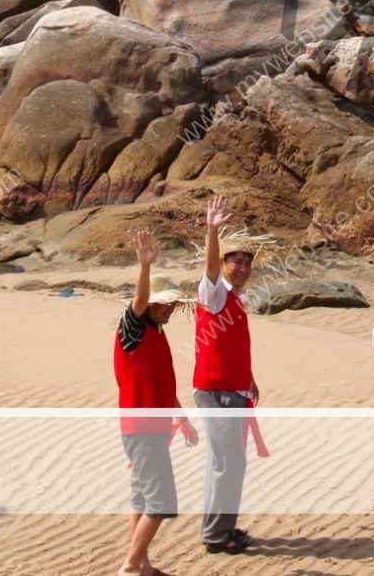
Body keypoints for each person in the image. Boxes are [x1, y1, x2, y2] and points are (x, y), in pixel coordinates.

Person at [115, 230, 198, 576]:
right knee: (161, 502)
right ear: (150, 304)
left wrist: (182, 418)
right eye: (165, 303)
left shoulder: (157, 333)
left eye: (173, 304)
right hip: (141, 430)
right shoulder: (132, 329)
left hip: (153, 429)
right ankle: (130, 566)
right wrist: (145, 266)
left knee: (141, 497)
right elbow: (139, 299)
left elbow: (165, 385)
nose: (171, 309)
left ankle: (142, 565)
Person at [193, 195, 266, 556]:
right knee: (228, 463)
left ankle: (221, 527)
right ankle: (216, 535)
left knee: (223, 463)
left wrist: (248, 379)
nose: (242, 266)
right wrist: (212, 230)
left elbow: (234, 344)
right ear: (224, 263)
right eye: (236, 260)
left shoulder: (235, 297)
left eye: (247, 261)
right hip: (215, 390)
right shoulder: (215, 293)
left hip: (232, 389)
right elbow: (209, 266)